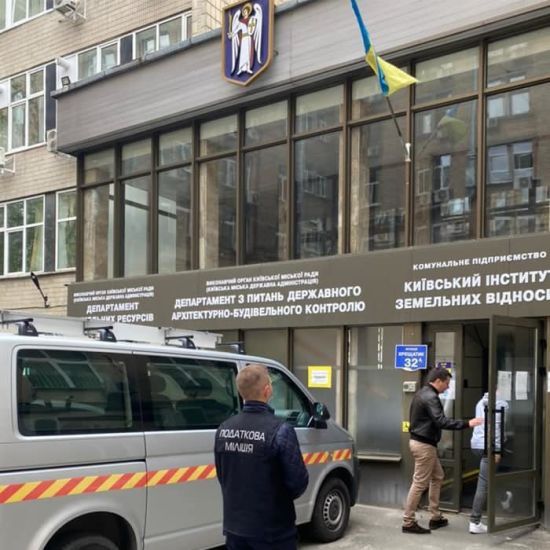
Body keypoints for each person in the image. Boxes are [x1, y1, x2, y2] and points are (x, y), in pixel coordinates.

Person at [214, 363, 309, 550]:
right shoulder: (281, 430)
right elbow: (298, 483)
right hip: (273, 532)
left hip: (235, 530)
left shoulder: (224, 429)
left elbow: (223, 476)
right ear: (267, 391)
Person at [402, 368, 483, 534]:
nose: (448, 387)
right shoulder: (431, 397)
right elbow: (441, 421)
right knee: (419, 483)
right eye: (447, 383)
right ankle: (408, 522)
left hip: (423, 443)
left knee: (438, 476)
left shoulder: (422, 393)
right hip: (424, 445)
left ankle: (435, 516)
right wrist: (468, 423)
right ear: (438, 381)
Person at [469, 391, 509, 534]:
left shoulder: (480, 402)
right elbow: (496, 427)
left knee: (488, 477)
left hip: (476, 445)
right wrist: (497, 449)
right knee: (483, 484)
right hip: (488, 446)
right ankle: (475, 521)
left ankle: (504, 499)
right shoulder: (501, 403)